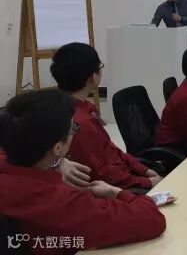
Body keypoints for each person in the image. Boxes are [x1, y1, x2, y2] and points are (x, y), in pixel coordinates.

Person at [0, 89, 166, 253]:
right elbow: (152, 219)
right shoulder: (63, 203)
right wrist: (116, 192)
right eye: (73, 128)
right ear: (58, 147)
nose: (74, 131)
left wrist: (58, 161)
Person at [50, 43, 161, 191]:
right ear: (92, 77)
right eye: (100, 67)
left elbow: (110, 148)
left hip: (124, 177)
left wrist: (143, 170)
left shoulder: (83, 108)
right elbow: (103, 175)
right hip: (118, 188)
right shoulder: (80, 123)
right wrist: (147, 182)